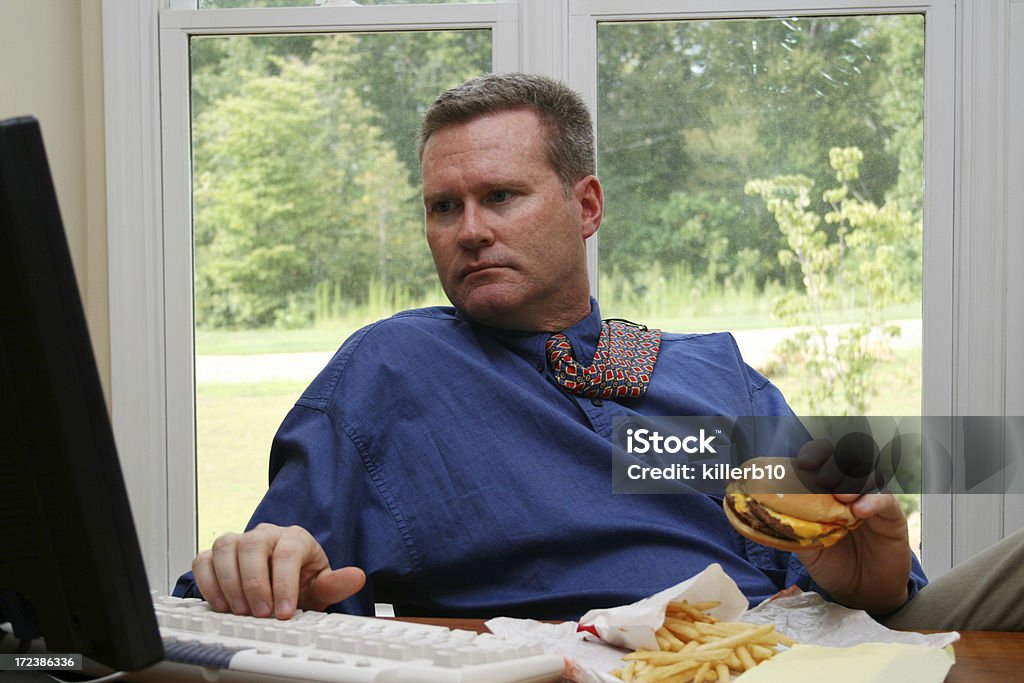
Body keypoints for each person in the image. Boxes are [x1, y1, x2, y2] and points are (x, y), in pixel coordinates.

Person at [175, 72, 927, 624]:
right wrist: (256, 566)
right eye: (444, 206)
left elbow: (852, 575)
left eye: (501, 195)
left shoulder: (708, 369)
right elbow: (270, 582)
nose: (469, 229)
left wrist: (879, 582)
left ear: (586, 206)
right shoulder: (391, 369)